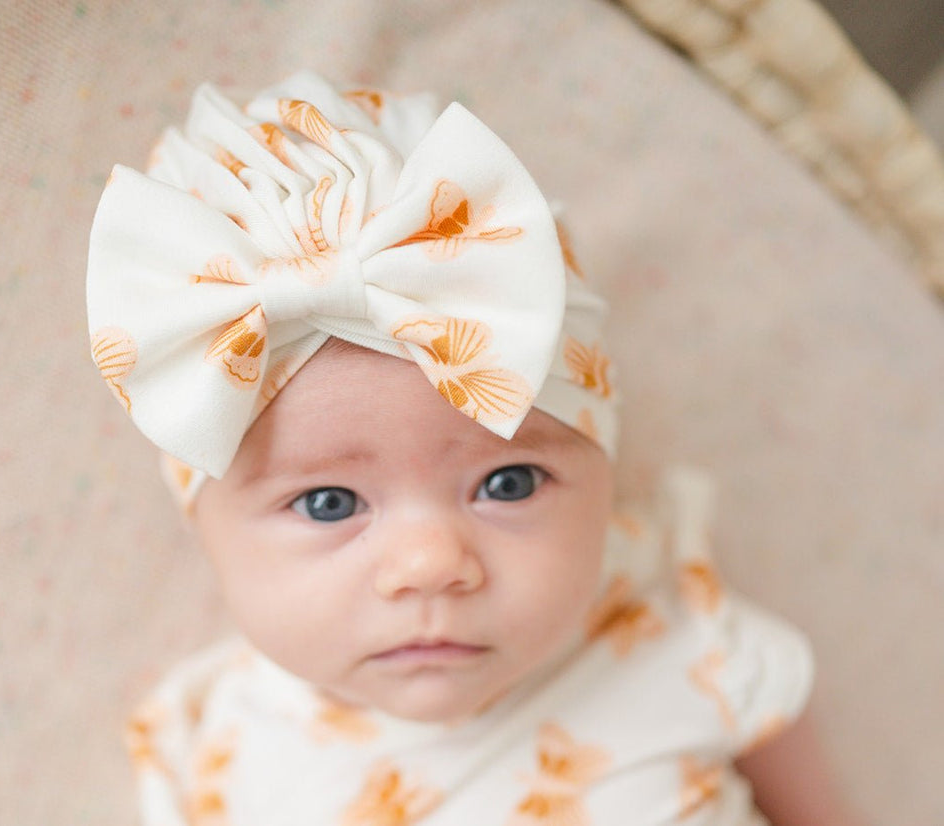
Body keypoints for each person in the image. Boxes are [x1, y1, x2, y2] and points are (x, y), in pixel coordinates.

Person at [86, 71, 860, 825]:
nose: (430, 564)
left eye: (511, 482)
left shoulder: (675, 632)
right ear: (204, 526)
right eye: (328, 503)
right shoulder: (212, 748)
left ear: (604, 471)